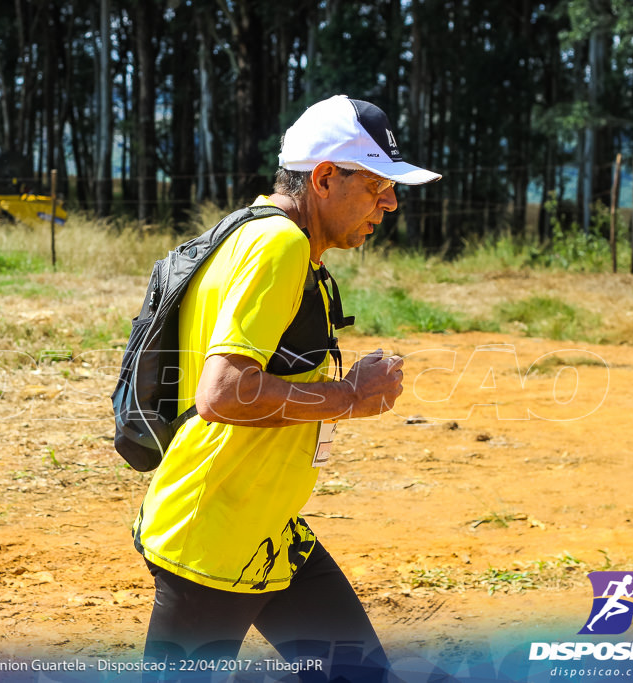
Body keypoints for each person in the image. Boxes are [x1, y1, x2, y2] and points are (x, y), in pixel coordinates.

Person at [132, 95, 441, 681]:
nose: (392, 202)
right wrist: (350, 396)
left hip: (268, 528)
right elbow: (222, 393)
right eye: (379, 186)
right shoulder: (281, 245)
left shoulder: (253, 230)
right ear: (325, 177)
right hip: (216, 536)